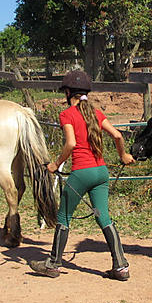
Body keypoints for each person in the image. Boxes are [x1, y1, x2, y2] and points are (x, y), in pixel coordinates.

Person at [30, 70, 135, 280]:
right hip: (101, 172)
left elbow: (71, 143)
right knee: (103, 217)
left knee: (63, 217)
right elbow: (117, 135)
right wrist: (123, 155)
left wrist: (56, 164)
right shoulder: (96, 113)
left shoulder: (67, 114)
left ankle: (53, 264)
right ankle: (121, 266)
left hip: (81, 173)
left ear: (69, 92)